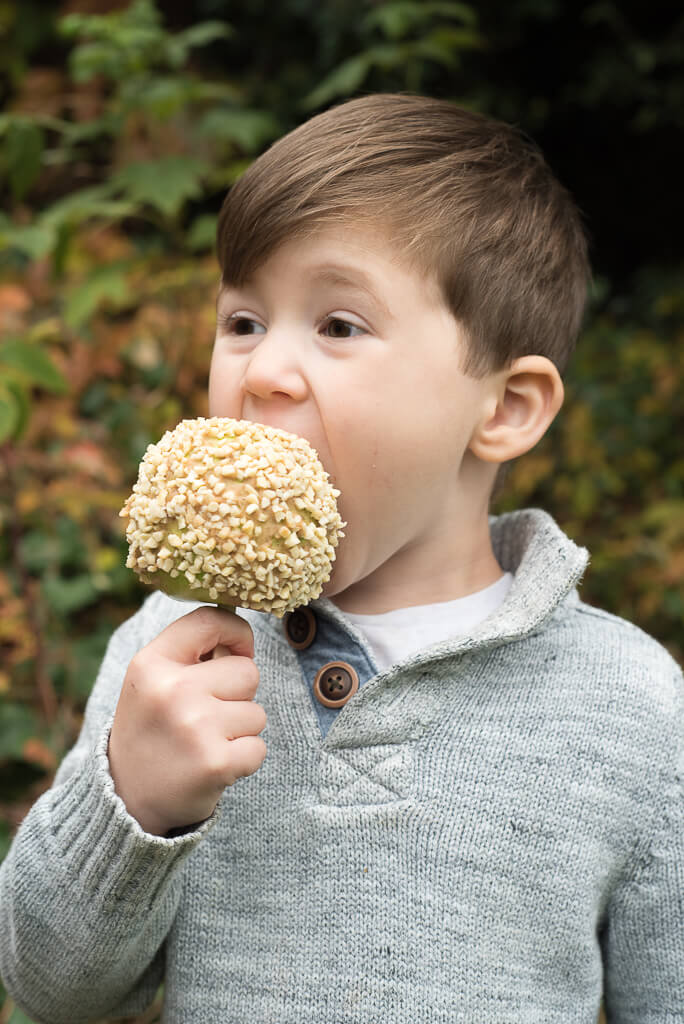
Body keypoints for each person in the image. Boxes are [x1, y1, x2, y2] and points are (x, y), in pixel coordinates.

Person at [1, 93, 682, 1024]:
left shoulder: (630, 704)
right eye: (242, 321)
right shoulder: (170, 654)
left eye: (339, 325)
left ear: (506, 408)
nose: (263, 371)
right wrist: (136, 805)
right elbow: (51, 987)